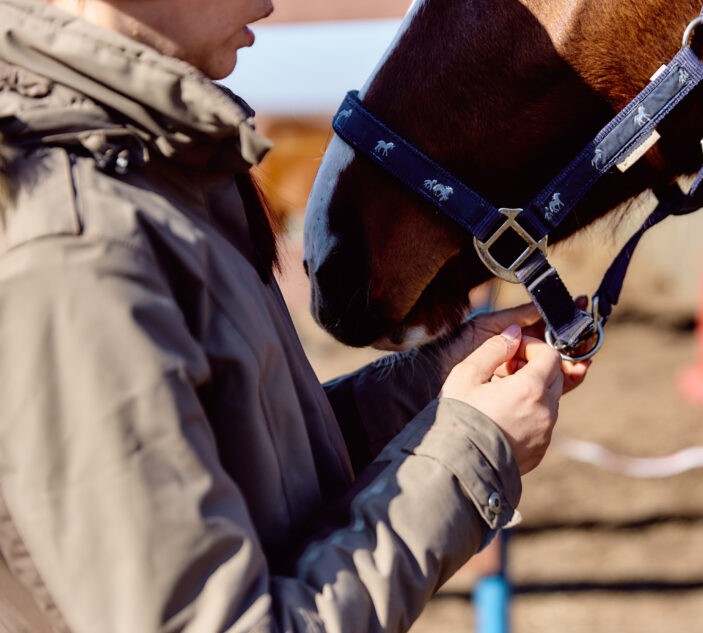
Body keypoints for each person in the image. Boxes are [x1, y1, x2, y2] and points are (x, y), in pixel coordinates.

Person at [0, 0, 589, 631]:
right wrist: (473, 449)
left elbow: (238, 465)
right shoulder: (76, 249)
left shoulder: (145, 175)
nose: (270, 2)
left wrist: (435, 387)